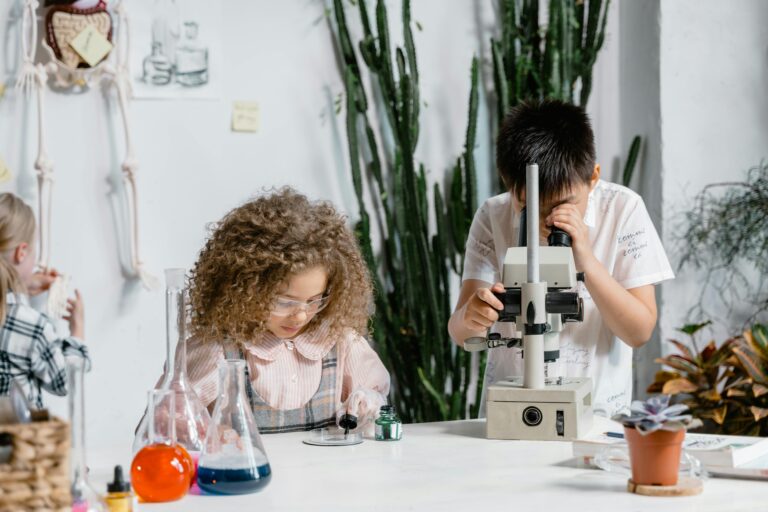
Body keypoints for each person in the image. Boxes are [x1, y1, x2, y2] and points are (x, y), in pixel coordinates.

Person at [448, 100, 674, 417]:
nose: (546, 220)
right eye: (530, 207)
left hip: (597, 413)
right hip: (510, 412)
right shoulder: (493, 215)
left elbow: (639, 332)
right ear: (508, 184)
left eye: (564, 205)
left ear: (593, 177)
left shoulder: (623, 210)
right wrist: (472, 317)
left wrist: (586, 259)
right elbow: (460, 332)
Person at [184, 187, 390, 433]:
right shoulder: (219, 351)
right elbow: (168, 424)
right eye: (284, 302)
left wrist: (368, 402)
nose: (301, 315)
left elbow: (376, 401)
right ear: (245, 290)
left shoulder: (340, 342)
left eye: (315, 300)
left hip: (329, 472)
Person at [0, 192, 88, 409]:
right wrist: (77, 330)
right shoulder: (34, 326)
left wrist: (22, 289)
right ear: (22, 253)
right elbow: (65, 381)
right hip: (19, 441)